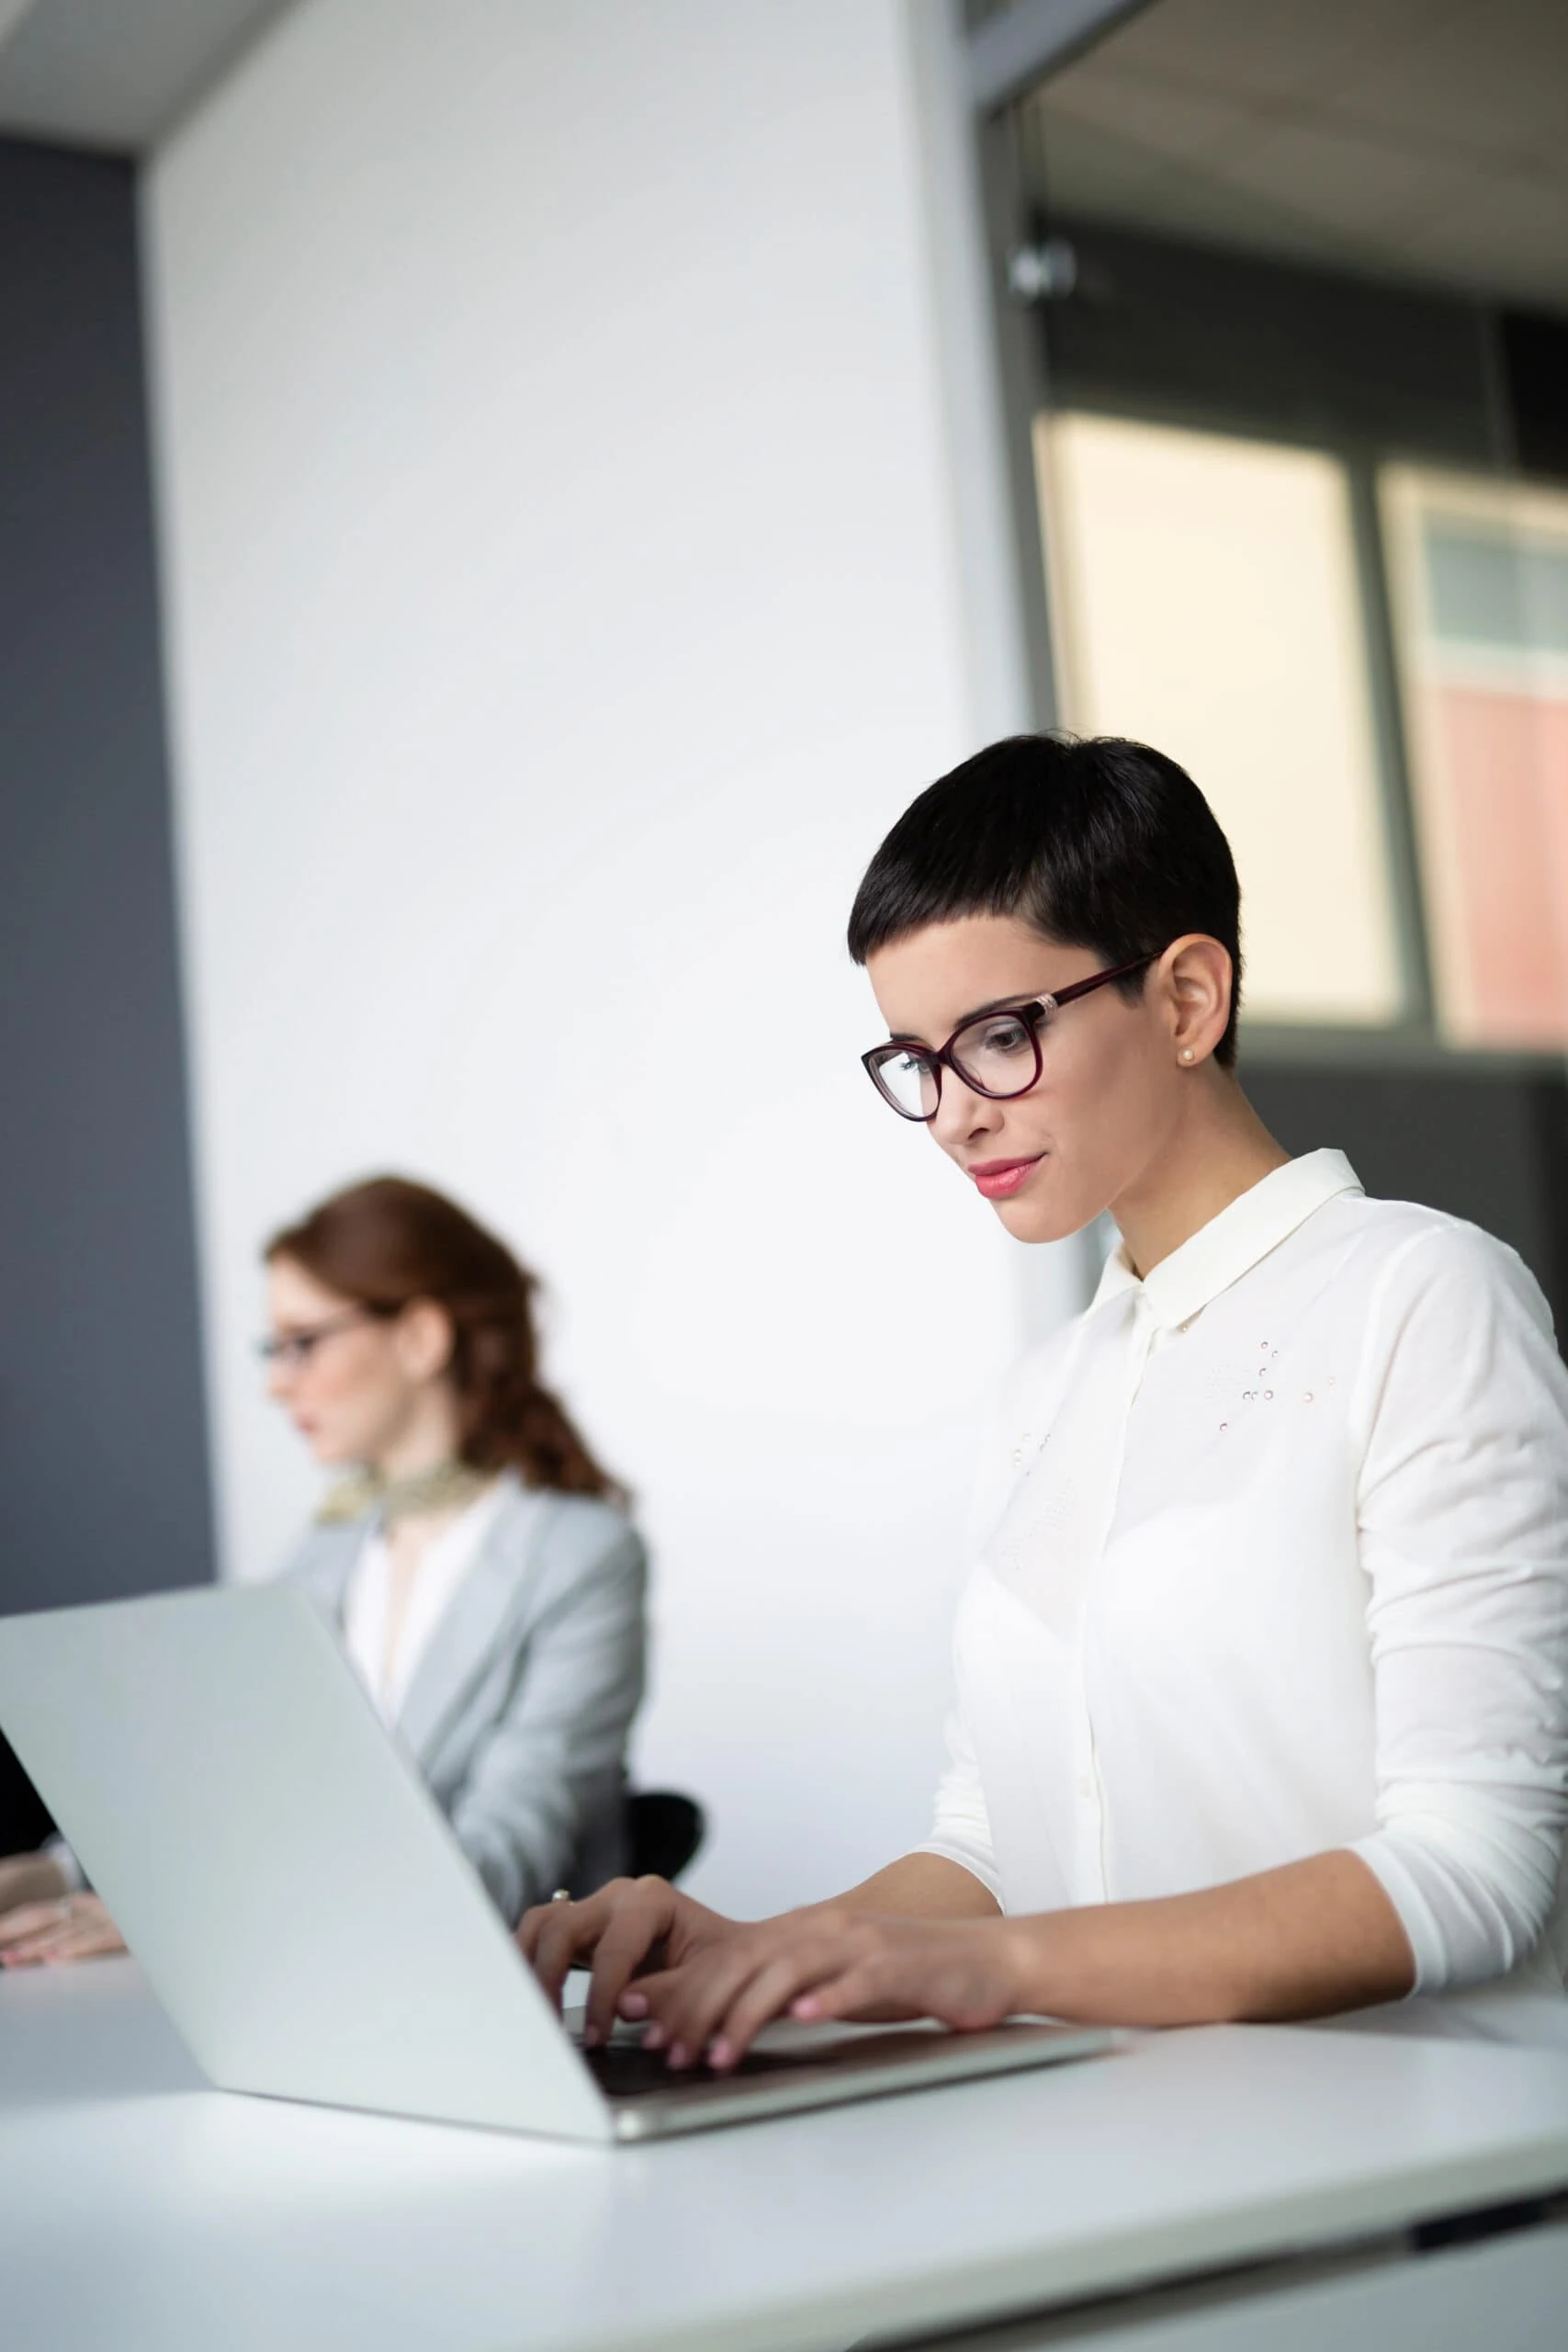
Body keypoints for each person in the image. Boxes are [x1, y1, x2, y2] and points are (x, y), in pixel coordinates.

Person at [522, 731, 1568, 2072]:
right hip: (1106, 2142)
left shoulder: (1420, 1296)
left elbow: (1472, 1869)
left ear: (1186, 1000)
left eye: (999, 1036)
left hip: (1410, 2167)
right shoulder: (1048, 1389)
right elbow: (995, 1842)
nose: (954, 1115)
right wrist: (752, 1951)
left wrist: (989, 1967)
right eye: (914, 1058)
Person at [0, 1175, 646, 1965]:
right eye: (273, 1349)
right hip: (323, 1989)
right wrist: (45, 1877)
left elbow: (504, 1862)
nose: (277, 1382)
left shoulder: (577, 1557)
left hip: (498, 1998)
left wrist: (189, 1918)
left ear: (419, 1339)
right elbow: (212, 1786)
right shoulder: (322, 1559)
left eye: (301, 1342)